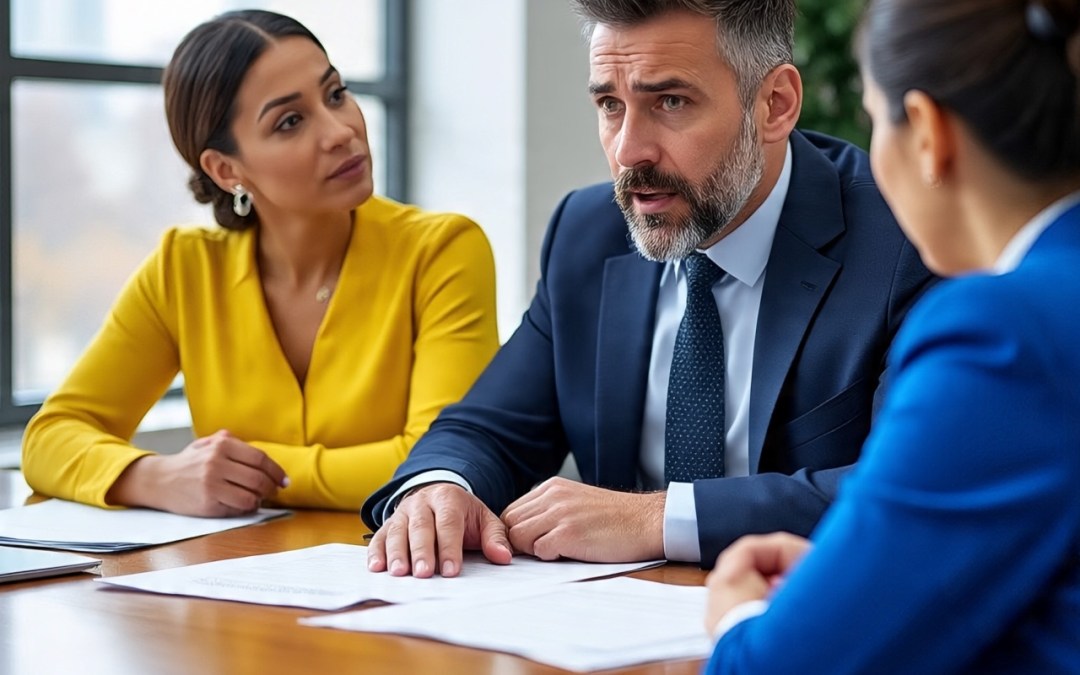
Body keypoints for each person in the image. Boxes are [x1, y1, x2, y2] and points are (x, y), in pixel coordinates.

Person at [362, 0, 936, 579]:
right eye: (611, 105)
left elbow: (917, 486)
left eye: (670, 102)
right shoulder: (587, 233)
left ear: (774, 105)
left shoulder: (905, 240)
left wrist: (655, 520)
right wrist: (440, 488)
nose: (628, 151)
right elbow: (487, 428)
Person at [703, 0, 1080, 671]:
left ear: (929, 133)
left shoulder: (1004, 335)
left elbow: (780, 666)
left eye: (876, 119)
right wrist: (857, 576)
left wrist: (741, 612)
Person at [20, 10, 499, 517]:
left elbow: (436, 464)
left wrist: (247, 475)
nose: (340, 130)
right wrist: (157, 476)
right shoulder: (184, 269)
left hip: (410, 574)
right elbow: (50, 438)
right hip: (236, 575)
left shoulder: (443, 250)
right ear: (226, 170)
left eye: (335, 94)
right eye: (290, 121)